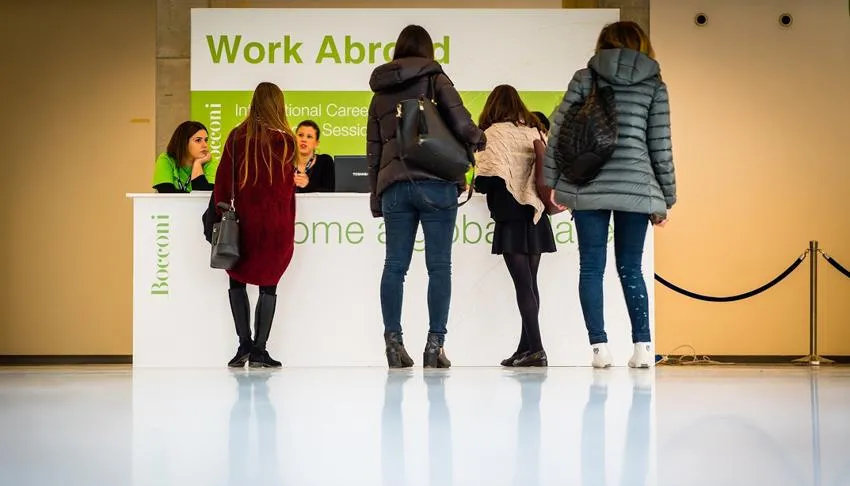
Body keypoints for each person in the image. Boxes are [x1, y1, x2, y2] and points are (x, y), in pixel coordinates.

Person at [543, 21, 677, 368]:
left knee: (591, 267)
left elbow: (558, 132)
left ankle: (599, 349)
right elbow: (660, 146)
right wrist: (666, 198)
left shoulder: (585, 77)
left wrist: (553, 181)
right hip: (637, 186)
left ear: (603, 44)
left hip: (587, 182)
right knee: (631, 268)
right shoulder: (654, 85)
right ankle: (643, 348)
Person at [367, 24, 486, 369]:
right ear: (427, 51)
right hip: (436, 183)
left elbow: (373, 151)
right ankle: (435, 346)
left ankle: (393, 344)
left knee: (394, 266)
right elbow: (461, 122)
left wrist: (376, 195)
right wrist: (479, 139)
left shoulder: (379, 94)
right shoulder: (435, 79)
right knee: (439, 266)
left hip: (394, 186)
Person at [214, 82, 298, 368]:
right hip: (276, 227)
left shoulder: (237, 136)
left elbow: (223, 183)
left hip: (244, 225)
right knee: (269, 285)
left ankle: (243, 345)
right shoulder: (286, 141)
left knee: (236, 279)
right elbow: (287, 191)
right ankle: (261, 349)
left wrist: (220, 214)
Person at [474, 85, 556, 368]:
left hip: (511, 217)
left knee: (523, 285)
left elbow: (487, 181)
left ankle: (537, 349)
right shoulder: (536, 131)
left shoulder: (494, 133)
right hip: (536, 215)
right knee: (530, 284)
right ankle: (525, 348)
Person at [152, 121, 215, 192]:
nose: (205, 145)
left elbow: (207, 194)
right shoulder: (166, 159)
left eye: (206, 140)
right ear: (183, 142)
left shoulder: (209, 161)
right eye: (198, 140)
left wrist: (197, 163)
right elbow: (166, 192)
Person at [293, 120, 335, 192]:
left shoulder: (325, 161)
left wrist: (307, 185)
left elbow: (330, 191)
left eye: (309, 136)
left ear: (316, 143)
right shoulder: (284, 163)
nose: (303, 139)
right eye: (300, 135)